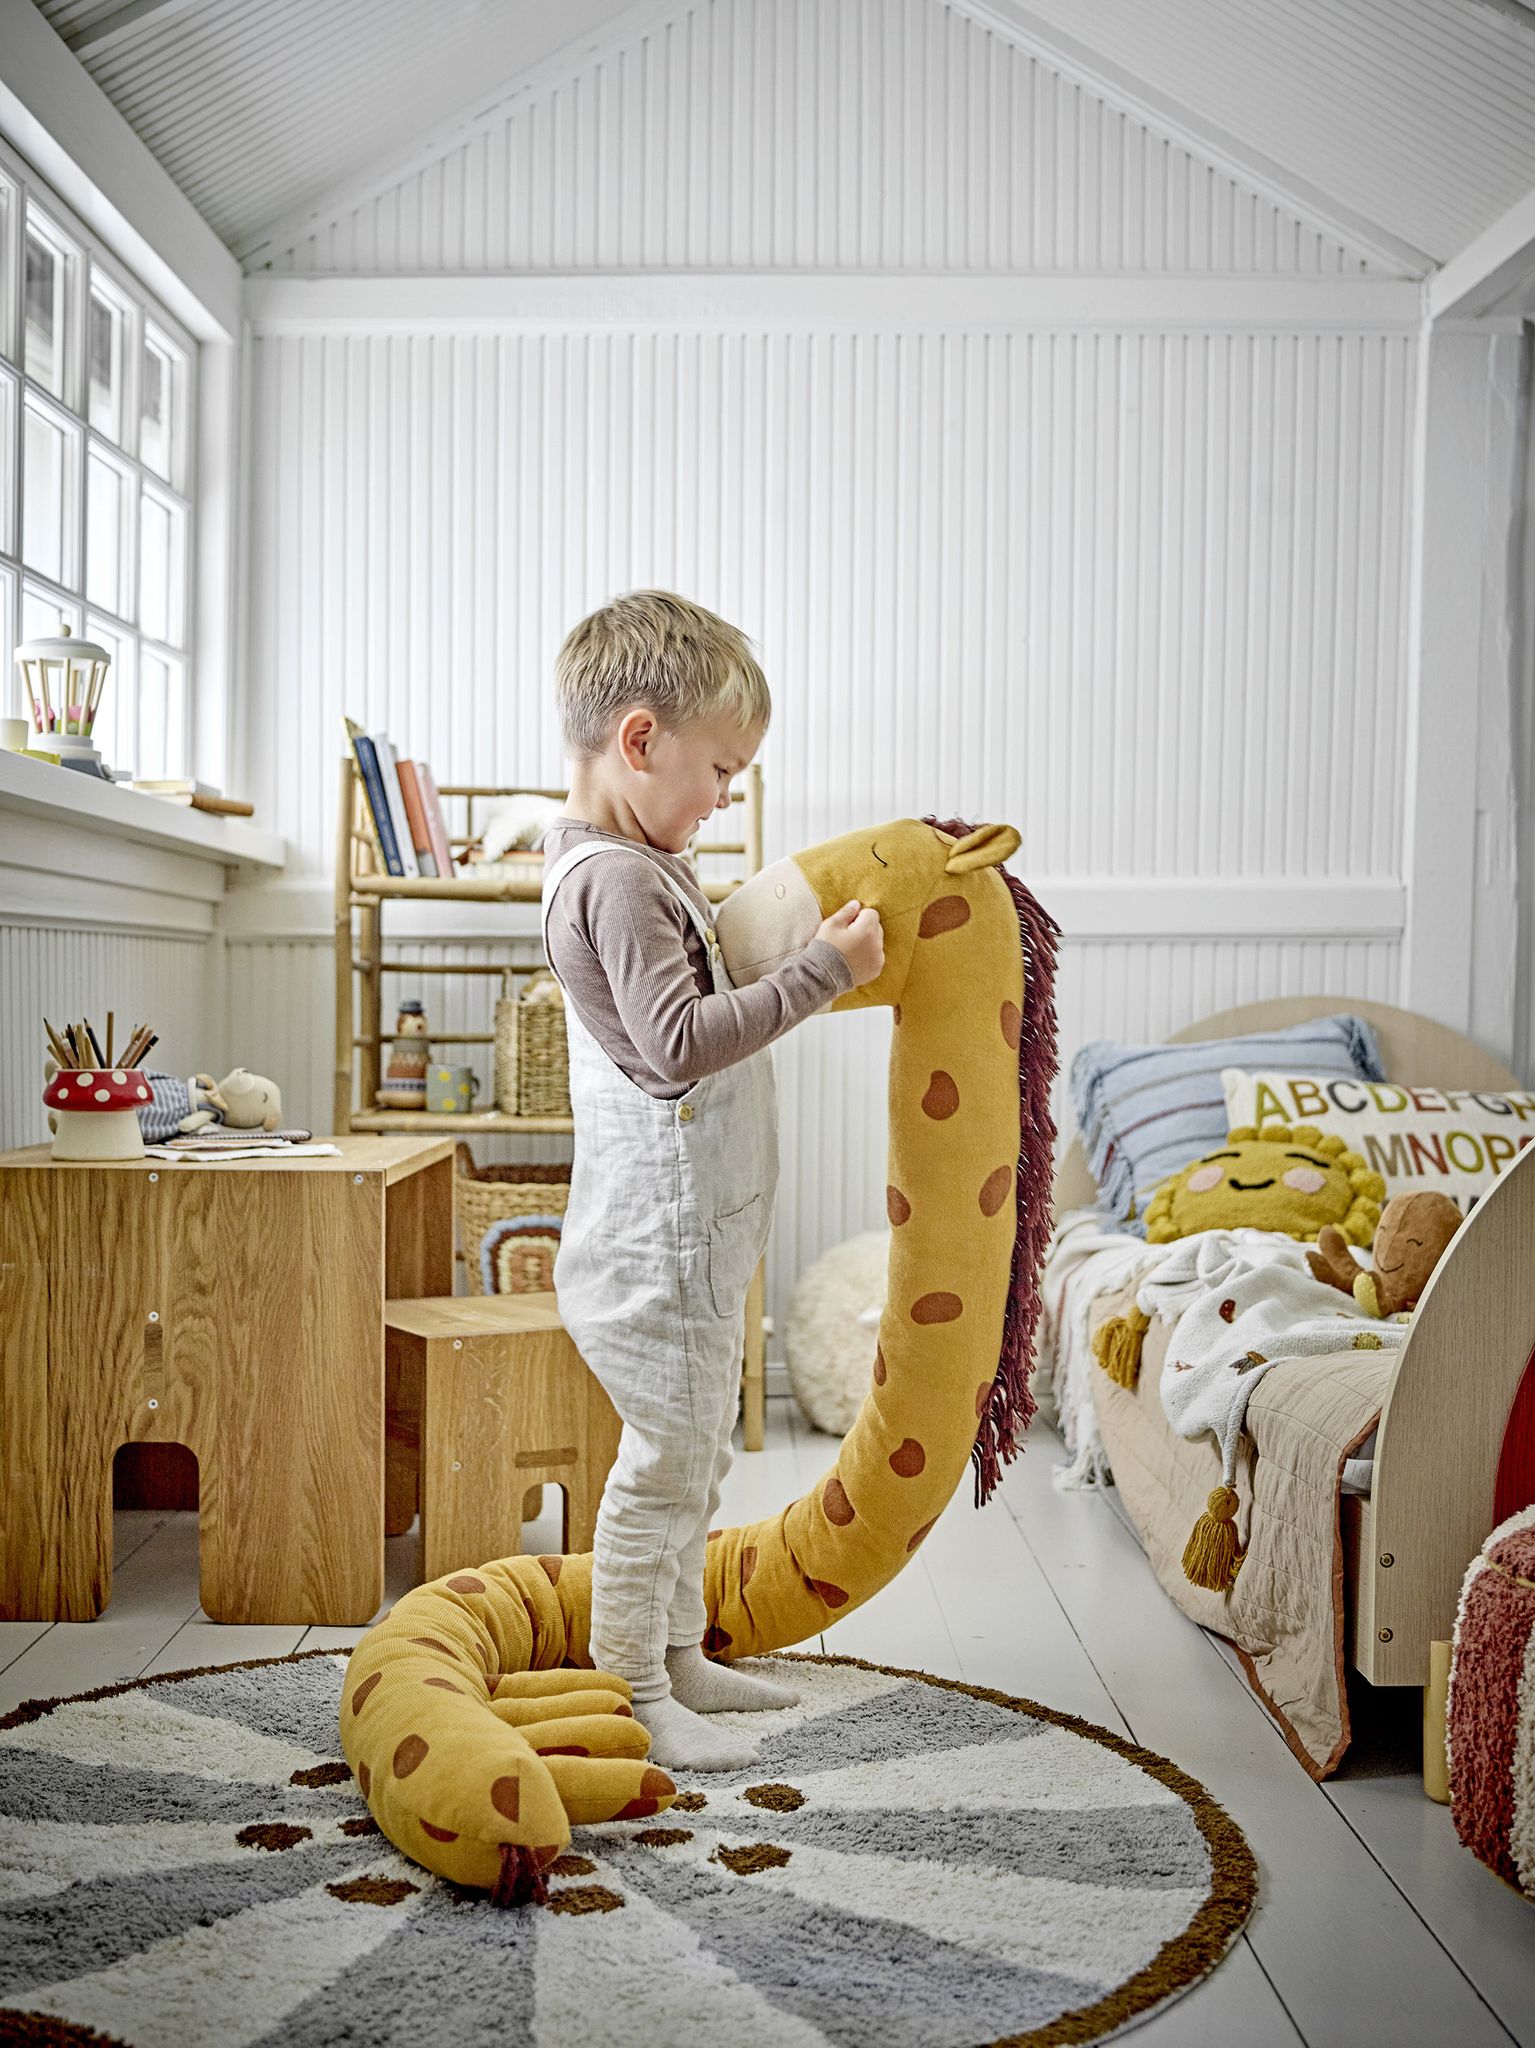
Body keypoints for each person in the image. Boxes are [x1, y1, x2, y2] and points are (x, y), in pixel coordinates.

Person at [540, 590, 883, 1770]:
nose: (727, 795)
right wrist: (822, 971)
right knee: (665, 1461)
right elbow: (678, 1045)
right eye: (722, 769)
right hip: (660, 1239)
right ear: (639, 740)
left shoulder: (637, 859)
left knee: (696, 1454)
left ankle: (675, 1650)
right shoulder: (618, 881)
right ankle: (631, 1684)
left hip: (689, 1228)